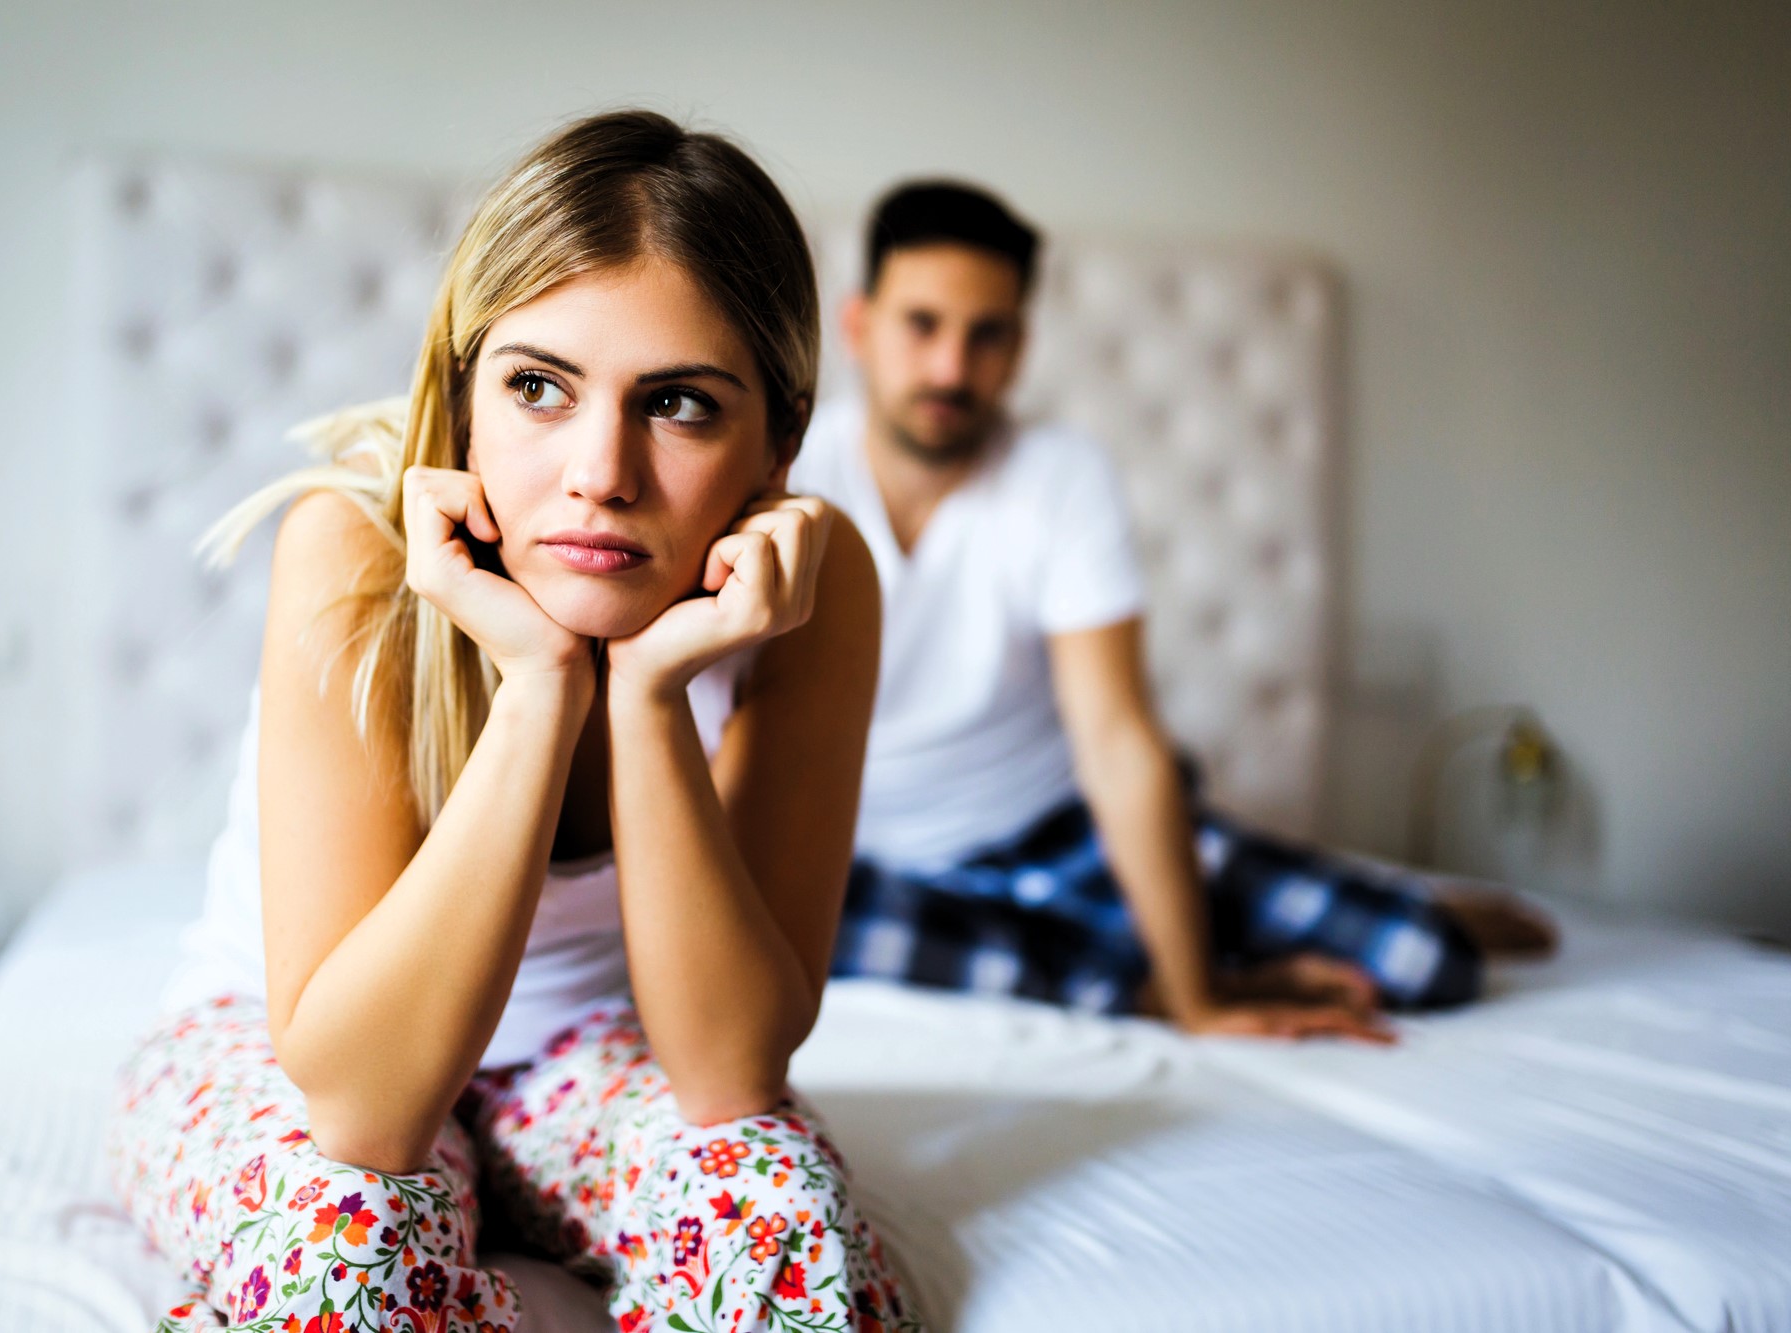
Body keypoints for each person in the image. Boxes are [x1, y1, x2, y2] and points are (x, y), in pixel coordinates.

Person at [105, 112, 922, 1333]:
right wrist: (542, 682)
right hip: (300, 1048)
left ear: (781, 438)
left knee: (793, 1248)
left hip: (595, 1054)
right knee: (345, 1263)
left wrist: (646, 691)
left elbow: (728, 1071)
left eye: (681, 406)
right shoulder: (354, 550)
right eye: (538, 387)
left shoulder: (815, 583)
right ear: (461, 395)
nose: (600, 470)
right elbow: (364, 1108)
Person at [795, 181, 1554, 1044]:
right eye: (922, 325)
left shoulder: (1059, 475)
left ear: (1021, 347)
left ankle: (1254, 938)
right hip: (867, 862)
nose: (950, 368)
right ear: (859, 327)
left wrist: (1199, 1001)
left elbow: (1118, 738)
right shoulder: (793, 470)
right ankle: (1146, 972)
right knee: (801, 935)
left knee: (1428, 960)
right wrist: (1195, 991)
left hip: (1057, 832)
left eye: (988, 334)